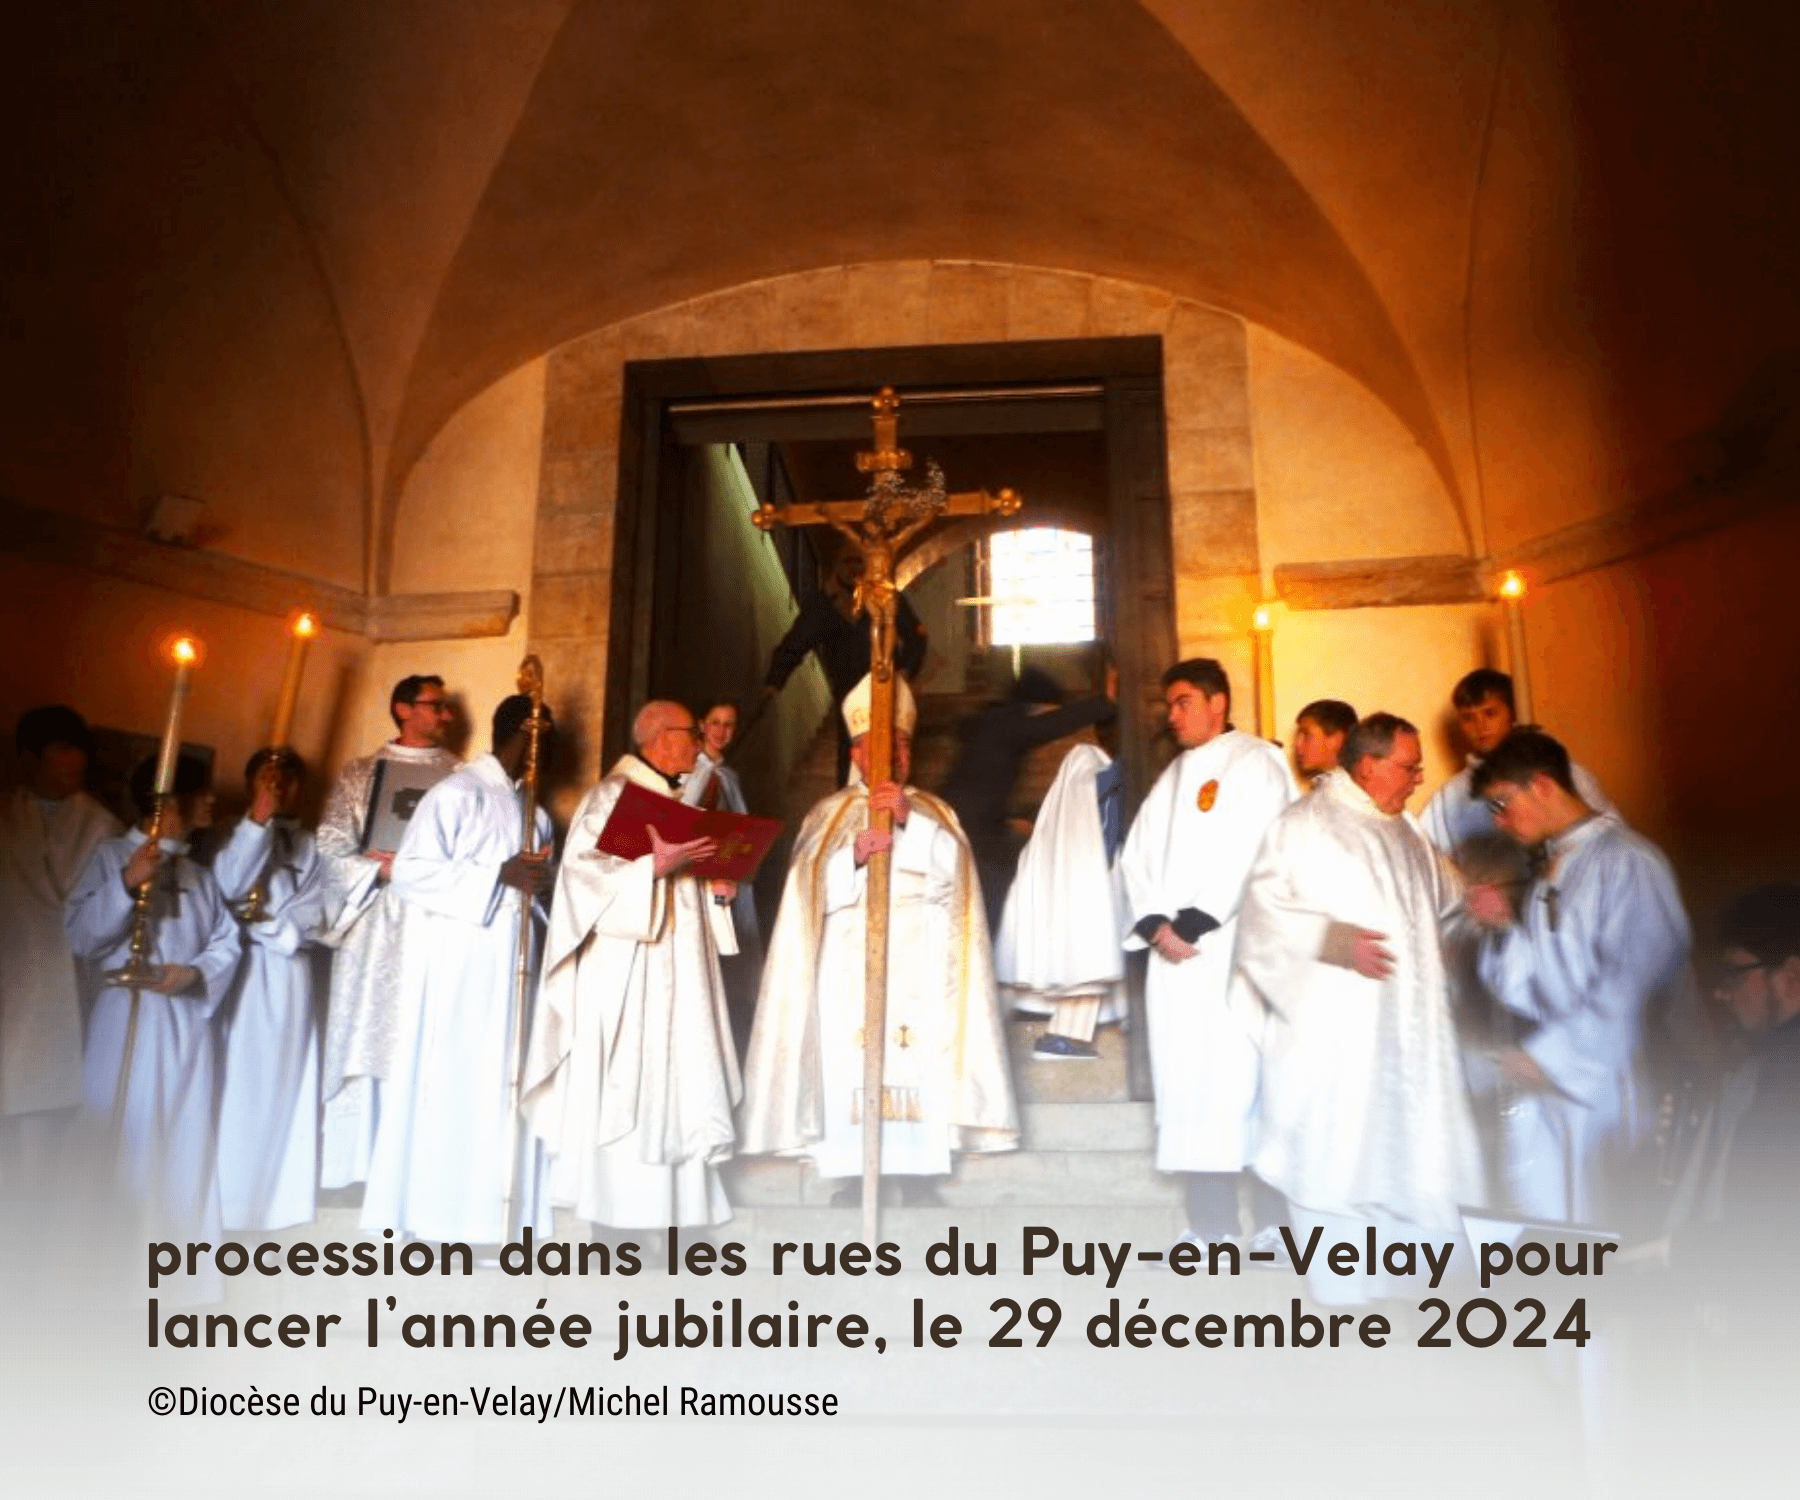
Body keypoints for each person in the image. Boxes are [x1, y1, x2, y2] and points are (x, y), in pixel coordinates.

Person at [1233, 713, 1484, 1300]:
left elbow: (1450, 900)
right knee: (1341, 1149)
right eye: (1408, 767)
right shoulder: (1305, 826)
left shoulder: (1408, 831)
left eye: (1419, 766)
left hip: (1414, 1033)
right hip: (1339, 1038)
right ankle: (1343, 1295)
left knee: (1412, 1146)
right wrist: (1328, 940)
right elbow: (1260, 919)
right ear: (1367, 765)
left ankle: (1411, 1288)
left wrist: (1462, 920)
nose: (1418, 778)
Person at [742, 673, 1017, 1202]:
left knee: (917, 1058)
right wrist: (853, 856)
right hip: (847, 962)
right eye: (882, 747)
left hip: (918, 959)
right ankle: (852, 1172)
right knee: (847, 1059)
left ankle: (915, 1174)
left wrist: (911, 824)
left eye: (905, 745)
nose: (896, 757)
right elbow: (805, 889)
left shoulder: (936, 812)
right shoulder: (829, 813)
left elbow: (958, 883)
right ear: (859, 754)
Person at [524, 700, 741, 1231]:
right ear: (662, 738)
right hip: (626, 973)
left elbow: (696, 892)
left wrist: (719, 891)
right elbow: (580, 881)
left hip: (683, 970)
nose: (697, 743)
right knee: (626, 1086)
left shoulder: (690, 799)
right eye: (690, 733)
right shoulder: (608, 798)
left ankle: (682, 1217)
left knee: (683, 1077)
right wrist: (653, 868)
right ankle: (615, 1221)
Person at [1466, 729, 1690, 1225]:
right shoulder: (1559, 865)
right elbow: (1536, 984)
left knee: (1612, 1236)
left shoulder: (1627, 862)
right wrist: (1504, 927)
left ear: (1542, 785)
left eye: (1503, 803)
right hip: (1562, 1086)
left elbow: (1630, 987)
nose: (1500, 822)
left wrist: (1551, 1056)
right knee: (1557, 1234)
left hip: (1614, 1084)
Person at [360, 695, 554, 1243]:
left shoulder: (535, 813)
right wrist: (497, 876)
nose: (552, 750)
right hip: (460, 967)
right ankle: (439, 1218)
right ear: (521, 733)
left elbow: (539, 893)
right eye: (546, 736)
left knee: (506, 1084)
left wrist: (535, 887)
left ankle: (504, 1221)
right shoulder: (457, 793)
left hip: (515, 965)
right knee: (456, 1082)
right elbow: (411, 872)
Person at [1119, 658, 1294, 1245]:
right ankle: (1212, 1227)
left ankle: (1273, 1223)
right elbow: (1136, 855)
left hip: (1232, 953)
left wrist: (1196, 920)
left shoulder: (1257, 761)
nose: (1173, 715)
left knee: (1250, 1080)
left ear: (1218, 703)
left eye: (1183, 701)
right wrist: (1152, 923)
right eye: (1170, 704)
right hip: (1176, 963)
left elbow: (1262, 844)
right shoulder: (1172, 777)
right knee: (1190, 1085)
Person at [65, 754, 240, 1279]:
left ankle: (177, 1282)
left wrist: (192, 974)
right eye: (201, 792)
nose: (212, 801)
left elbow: (226, 943)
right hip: (127, 1021)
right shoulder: (109, 856)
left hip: (186, 1028)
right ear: (167, 801)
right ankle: (104, 1278)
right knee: (125, 1141)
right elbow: (81, 936)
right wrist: (125, 881)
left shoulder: (198, 874)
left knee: (180, 1146)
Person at [314, 673, 459, 1189]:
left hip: (434, 919)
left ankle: (421, 1166)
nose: (445, 716)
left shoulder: (458, 776)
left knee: (426, 1036)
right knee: (367, 1034)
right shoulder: (360, 774)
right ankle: (357, 1167)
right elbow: (331, 844)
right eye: (434, 705)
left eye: (444, 707)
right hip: (374, 922)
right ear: (402, 709)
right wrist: (378, 868)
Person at [210, 749, 328, 1232]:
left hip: (290, 979)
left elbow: (321, 912)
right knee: (236, 1087)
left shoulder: (316, 848)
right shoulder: (228, 838)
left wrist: (267, 924)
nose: (280, 790)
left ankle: (272, 1205)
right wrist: (255, 825)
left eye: (288, 782)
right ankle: (227, 1205)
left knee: (283, 1086)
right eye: (268, 780)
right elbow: (226, 889)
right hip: (240, 977)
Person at [0, 706, 121, 1175]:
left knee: (46, 1103)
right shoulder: (7, 813)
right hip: (12, 963)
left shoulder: (102, 824)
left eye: (78, 749)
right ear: (32, 755)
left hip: (67, 978)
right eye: (61, 748)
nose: (74, 760)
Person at [939, 664, 1117, 930]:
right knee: (997, 896)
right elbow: (1054, 725)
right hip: (974, 833)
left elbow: (982, 785)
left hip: (963, 823)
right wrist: (1106, 702)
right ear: (1040, 705)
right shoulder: (1007, 723)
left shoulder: (992, 723)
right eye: (1049, 710)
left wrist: (1009, 820)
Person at [994, 738, 1127, 1061]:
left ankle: (1065, 1037)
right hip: (1086, 899)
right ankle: (1062, 1038)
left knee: (1083, 971)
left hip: (1073, 906)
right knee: (1086, 967)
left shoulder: (1051, 831)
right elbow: (1104, 796)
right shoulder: (1096, 781)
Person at [761, 546, 928, 784]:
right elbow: (796, 642)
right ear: (836, 566)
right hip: (849, 695)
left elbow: (916, 637)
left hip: (887, 688)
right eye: (846, 562)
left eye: (858, 562)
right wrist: (774, 680)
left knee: (893, 750)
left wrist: (905, 671)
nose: (853, 569)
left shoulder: (887, 598)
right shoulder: (825, 605)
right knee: (851, 755)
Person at [1420, 668, 1614, 854]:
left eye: (1490, 713)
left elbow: (1608, 833)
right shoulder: (1452, 795)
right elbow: (1424, 850)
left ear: (1512, 713)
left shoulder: (1556, 770)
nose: (1480, 726)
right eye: (1468, 718)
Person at [681, 698, 763, 1059]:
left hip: (732, 880)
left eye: (729, 724)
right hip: (699, 881)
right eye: (715, 722)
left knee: (733, 976)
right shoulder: (689, 770)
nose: (722, 731)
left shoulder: (730, 777)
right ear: (701, 724)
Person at [1290, 698, 1356, 785]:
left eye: (1306, 735)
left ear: (1335, 740)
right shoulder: (1324, 785)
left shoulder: (1345, 792)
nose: (1297, 744)